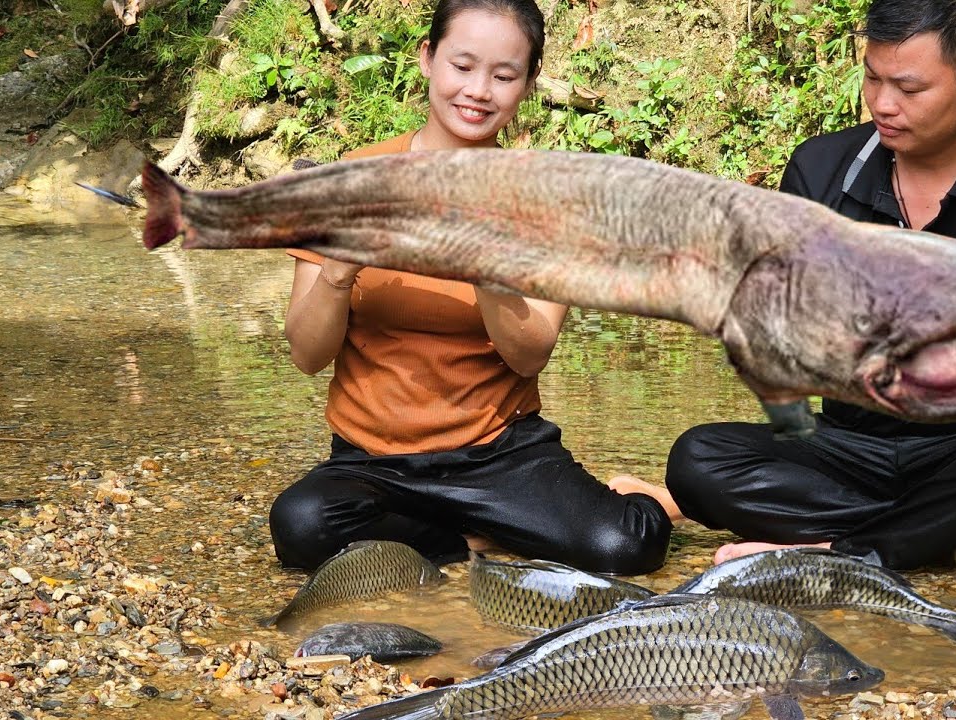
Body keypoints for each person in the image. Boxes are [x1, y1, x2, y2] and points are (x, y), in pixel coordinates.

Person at [640, 0, 956, 578]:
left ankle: (850, 554)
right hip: (848, 446)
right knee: (699, 460)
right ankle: (944, 533)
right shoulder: (819, 169)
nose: (882, 103)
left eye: (908, 87)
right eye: (872, 77)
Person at [268, 0, 672, 576]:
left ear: (528, 85)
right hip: (372, 462)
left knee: (627, 547)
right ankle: (471, 539)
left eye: (504, 76)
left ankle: (650, 500)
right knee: (302, 528)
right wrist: (339, 267)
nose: (478, 90)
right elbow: (308, 356)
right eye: (462, 65)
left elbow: (529, 355)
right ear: (428, 59)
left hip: (497, 456)